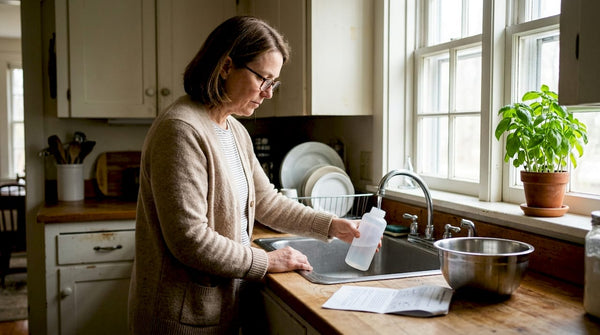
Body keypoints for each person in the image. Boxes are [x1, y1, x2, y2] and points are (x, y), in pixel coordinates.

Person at [128, 16, 364, 334]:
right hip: (180, 317)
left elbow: (267, 201)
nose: (268, 93)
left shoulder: (234, 130)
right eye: (263, 79)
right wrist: (266, 261)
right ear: (226, 67)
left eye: (273, 83)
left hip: (218, 308)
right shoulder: (181, 130)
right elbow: (189, 239)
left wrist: (331, 225)